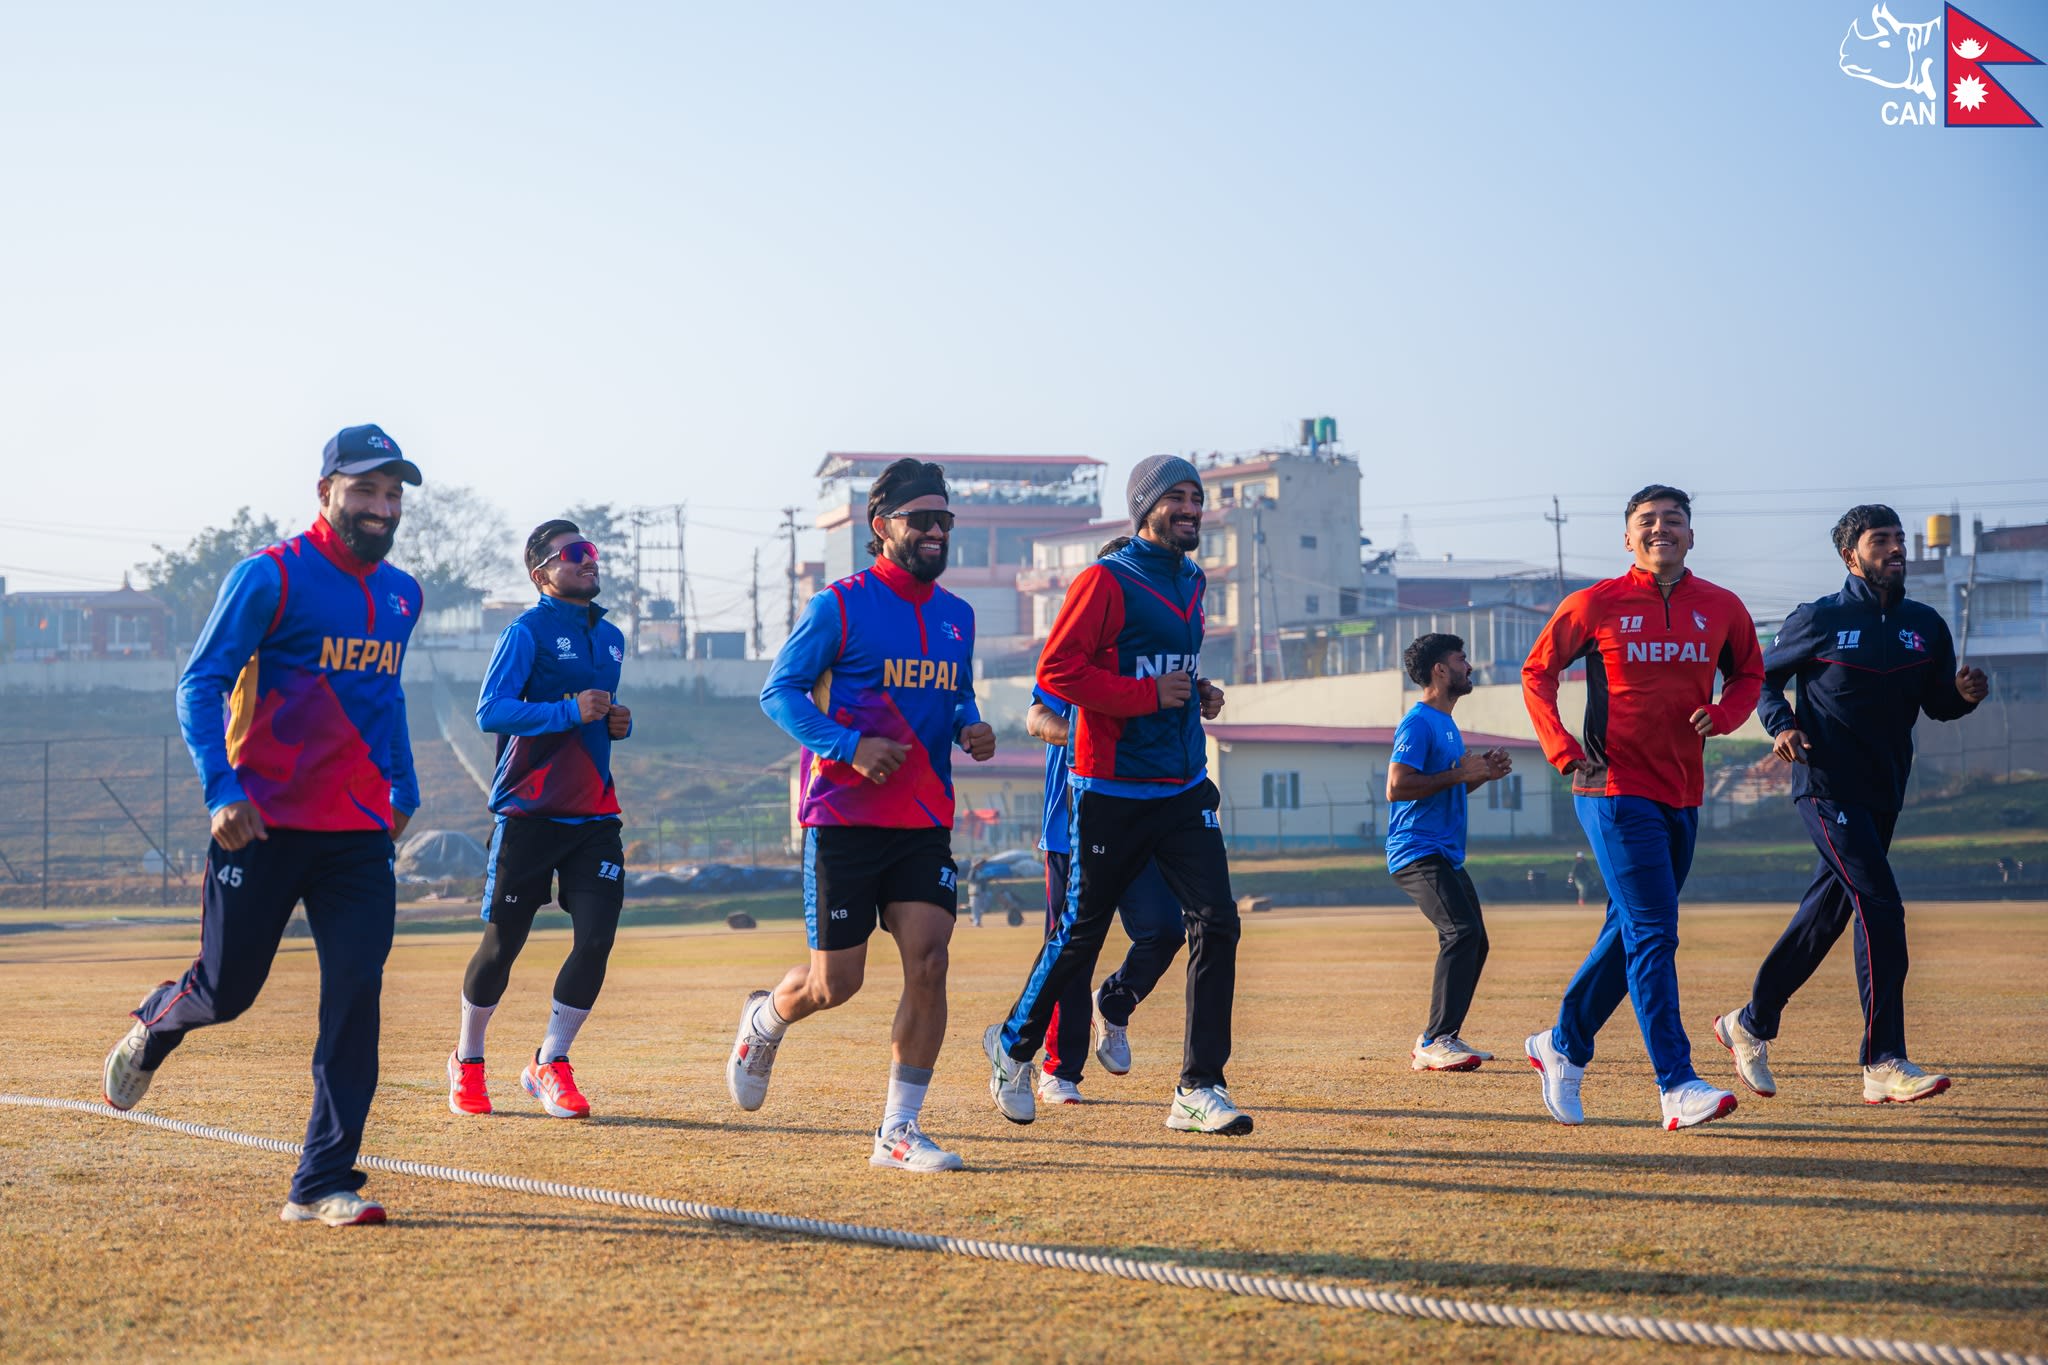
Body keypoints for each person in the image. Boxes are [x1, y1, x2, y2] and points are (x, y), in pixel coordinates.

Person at [101, 424, 424, 1226]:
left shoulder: (403, 594)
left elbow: (386, 692)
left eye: (393, 494)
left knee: (357, 994)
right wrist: (222, 789)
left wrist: (404, 785)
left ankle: (320, 1182)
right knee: (227, 991)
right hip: (261, 825)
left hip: (357, 834)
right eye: (365, 489)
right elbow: (199, 683)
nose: (382, 507)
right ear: (326, 492)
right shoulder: (269, 576)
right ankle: (157, 1023)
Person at [725, 459, 996, 1172]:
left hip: (923, 820)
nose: (938, 531)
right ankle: (765, 1018)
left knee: (930, 962)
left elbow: (956, 694)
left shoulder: (959, 617)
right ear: (881, 526)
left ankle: (897, 1131)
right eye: (923, 519)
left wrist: (969, 724)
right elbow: (779, 692)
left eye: (946, 519)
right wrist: (848, 746)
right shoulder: (837, 607)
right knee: (835, 984)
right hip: (842, 820)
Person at [985, 456, 1246, 1135]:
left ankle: (1198, 1087)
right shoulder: (1105, 579)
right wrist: (1145, 696)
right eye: (1176, 497)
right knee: (1080, 933)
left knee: (1217, 922)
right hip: (1110, 788)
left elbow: (1166, 664)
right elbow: (1058, 673)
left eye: (1197, 497)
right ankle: (1013, 1046)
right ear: (1144, 508)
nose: (1191, 508)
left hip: (1183, 786)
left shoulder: (1193, 580)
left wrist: (1197, 691)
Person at [1714, 504, 1986, 1106]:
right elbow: (1757, 678)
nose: (1896, 548)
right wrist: (1782, 725)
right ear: (1850, 556)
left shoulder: (1926, 625)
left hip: (1884, 790)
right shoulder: (1820, 618)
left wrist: (1963, 696)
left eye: (1899, 538)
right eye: (1880, 539)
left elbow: (1938, 704)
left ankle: (1750, 1023)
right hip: (1825, 784)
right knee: (1881, 908)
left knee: (1826, 916)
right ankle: (1882, 1061)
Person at [1521, 483, 1763, 1131]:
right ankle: (1677, 1084)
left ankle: (1562, 1044)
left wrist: (1725, 715)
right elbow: (1537, 672)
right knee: (1656, 930)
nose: (1661, 529)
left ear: (1691, 535)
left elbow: (1749, 675)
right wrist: (1561, 747)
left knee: (1630, 927)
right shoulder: (1595, 603)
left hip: (1682, 792)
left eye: (1673, 520)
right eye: (1647, 521)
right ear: (1627, 538)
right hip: (1612, 786)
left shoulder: (1722, 607)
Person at [447, 520, 634, 1120]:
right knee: (503, 946)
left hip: (594, 815)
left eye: (592, 551)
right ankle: (468, 1061)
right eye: (574, 553)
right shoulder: (525, 632)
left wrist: (616, 722)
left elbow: (592, 716)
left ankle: (549, 1062)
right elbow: (491, 711)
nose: (589, 560)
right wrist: (569, 710)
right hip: (527, 813)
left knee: (597, 938)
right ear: (541, 574)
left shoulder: (612, 638)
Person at [1024, 539, 1190, 1105]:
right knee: (1076, 946)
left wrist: (1202, 697)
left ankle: (1114, 1002)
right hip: (1073, 823)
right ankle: (1059, 1069)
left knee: (1166, 929)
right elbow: (1036, 715)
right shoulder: (1076, 645)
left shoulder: (1161, 650)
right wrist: (1082, 736)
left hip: (1143, 815)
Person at [1385, 632, 1511, 1073]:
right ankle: (1433, 1042)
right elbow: (1397, 786)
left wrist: (1480, 775)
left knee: (1476, 941)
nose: (1469, 666)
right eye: (1461, 659)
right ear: (1440, 670)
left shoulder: (1446, 723)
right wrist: (1460, 774)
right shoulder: (1419, 722)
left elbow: (1446, 784)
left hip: (1443, 852)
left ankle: (1445, 1036)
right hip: (1416, 849)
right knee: (1461, 932)